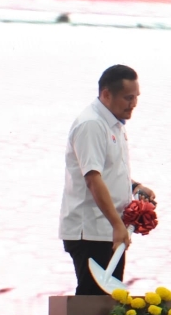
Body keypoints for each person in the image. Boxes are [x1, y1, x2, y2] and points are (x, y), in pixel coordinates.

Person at [59, 65, 155, 295]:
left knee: (107, 303)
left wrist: (135, 187)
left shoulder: (113, 123)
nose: (133, 104)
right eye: (128, 98)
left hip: (108, 230)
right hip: (91, 231)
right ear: (106, 94)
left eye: (136, 97)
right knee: (93, 304)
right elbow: (93, 178)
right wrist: (117, 224)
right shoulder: (91, 124)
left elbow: (108, 170)